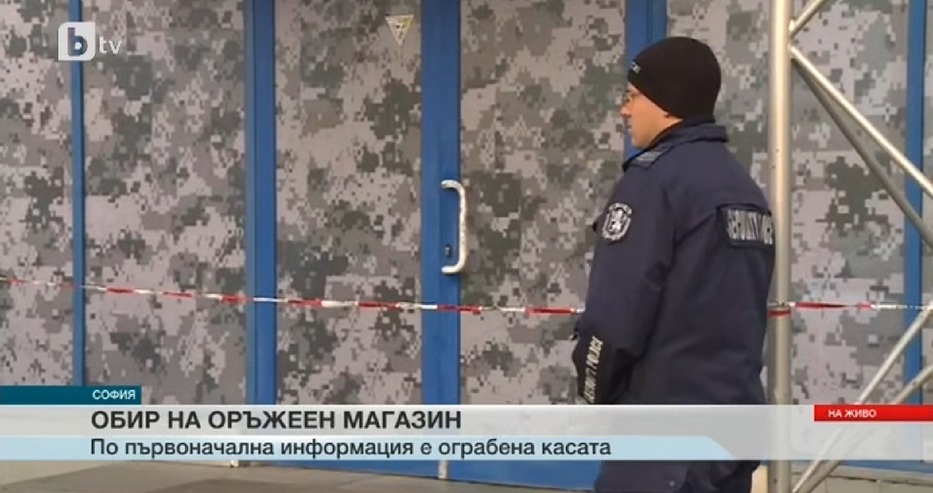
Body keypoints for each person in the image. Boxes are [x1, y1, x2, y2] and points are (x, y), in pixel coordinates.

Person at [571, 36, 776, 493]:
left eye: (633, 96)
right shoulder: (745, 191)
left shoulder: (653, 183)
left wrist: (592, 394)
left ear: (665, 103)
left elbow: (613, 319)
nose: (625, 110)